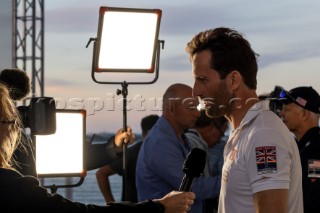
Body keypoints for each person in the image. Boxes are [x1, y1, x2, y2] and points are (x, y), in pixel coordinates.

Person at [0, 83, 195, 213]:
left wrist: (112, 147)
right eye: (11, 123)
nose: (15, 133)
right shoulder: (10, 186)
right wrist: (159, 207)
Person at [185, 27, 303, 213]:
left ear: (233, 80)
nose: (195, 91)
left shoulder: (264, 134)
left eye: (202, 79)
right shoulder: (246, 131)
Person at [136, 83, 221, 213]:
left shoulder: (177, 138)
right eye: (192, 107)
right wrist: (231, 179)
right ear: (171, 108)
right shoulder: (161, 143)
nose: (198, 114)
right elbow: (194, 187)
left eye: (198, 107)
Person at [96, 114, 159, 203]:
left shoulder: (131, 152)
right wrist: (111, 204)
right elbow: (101, 173)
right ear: (150, 130)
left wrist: (110, 203)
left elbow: (101, 173)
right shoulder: (134, 152)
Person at [279, 86, 320, 213]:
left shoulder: (314, 153)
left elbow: (314, 200)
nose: (281, 113)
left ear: (304, 114)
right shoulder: (301, 148)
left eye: (287, 109)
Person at [185, 111, 228, 213]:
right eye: (221, 134)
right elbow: (196, 186)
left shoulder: (185, 140)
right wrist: (228, 180)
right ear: (211, 127)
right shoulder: (197, 146)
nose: (219, 140)